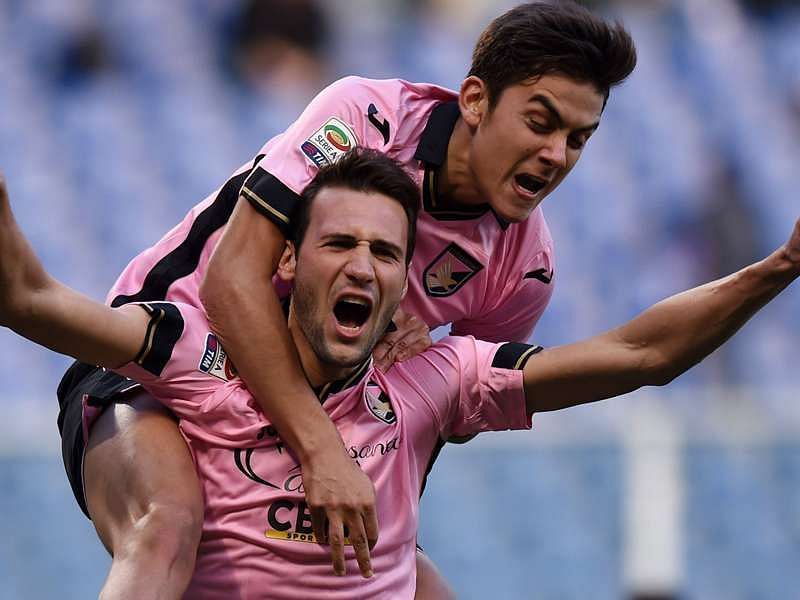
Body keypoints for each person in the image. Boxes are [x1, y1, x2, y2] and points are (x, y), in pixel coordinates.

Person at [4, 150, 800, 598]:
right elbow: (31, 300)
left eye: (385, 252)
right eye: (339, 244)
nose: (363, 265)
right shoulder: (197, 355)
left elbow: (640, 356)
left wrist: (779, 266)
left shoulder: (435, 379)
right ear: (287, 259)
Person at [55, 2, 637, 597]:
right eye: (541, 123)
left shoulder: (524, 269)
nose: (556, 154)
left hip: (303, 422)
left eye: (577, 139)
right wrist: (321, 451)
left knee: (421, 587)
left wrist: (415, 354)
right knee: (168, 524)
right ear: (475, 101)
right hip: (157, 374)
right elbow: (230, 282)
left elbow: (449, 410)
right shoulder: (367, 117)